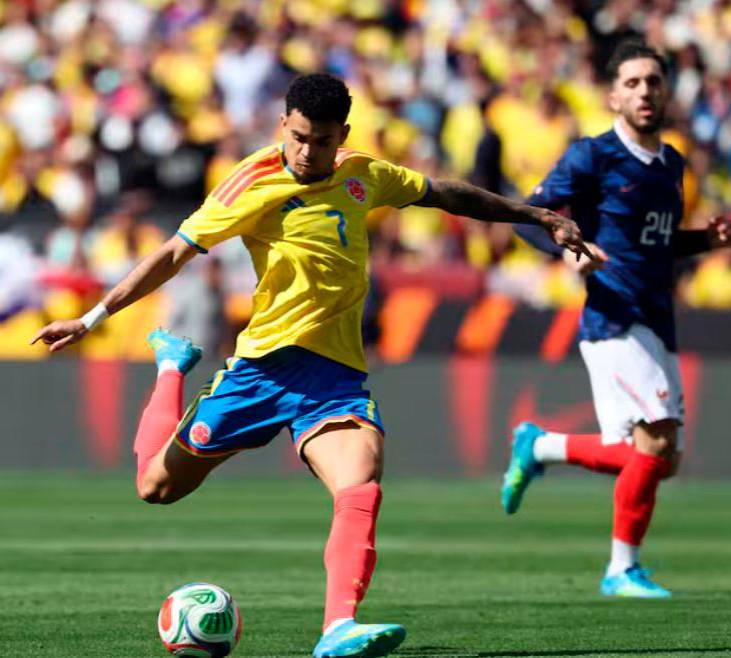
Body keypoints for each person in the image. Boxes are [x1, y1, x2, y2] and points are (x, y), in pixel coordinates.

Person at [32, 73, 588, 658]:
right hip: (260, 371)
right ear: (283, 125)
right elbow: (173, 252)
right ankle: (172, 366)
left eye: (320, 141)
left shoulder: (363, 174)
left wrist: (537, 215)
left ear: (340, 135)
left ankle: (336, 628)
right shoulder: (251, 180)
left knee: (361, 480)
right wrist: (91, 318)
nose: (306, 151)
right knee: (155, 487)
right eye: (298, 137)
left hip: (333, 378)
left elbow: (447, 194)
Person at [500, 40, 731, 599]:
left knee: (662, 459)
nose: (644, 92)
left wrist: (706, 240)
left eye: (652, 81)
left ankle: (539, 447)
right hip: (613, 315)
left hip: (656, 317)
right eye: (631, 83)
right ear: (612, 95)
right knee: (654, 446)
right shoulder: (593, 156)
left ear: (666, 91)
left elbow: (653, 246)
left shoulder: (671, 163)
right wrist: (562, 245)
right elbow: (524, 218)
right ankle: (620, 570)